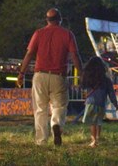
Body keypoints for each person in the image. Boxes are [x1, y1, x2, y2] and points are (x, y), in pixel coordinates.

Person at [18, 8, 82, 147]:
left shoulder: (38, 33)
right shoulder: (67, 34)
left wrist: (21, 73)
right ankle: (57, 124)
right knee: (60, 105)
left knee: (40, 109)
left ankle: (41, 141)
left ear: (47, 20)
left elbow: (29, 54)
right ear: (60, 19)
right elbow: (75, 55)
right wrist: (81, 74)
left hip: (39, 75)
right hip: (58, 76)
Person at [80, 56, 118, 147]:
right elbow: (111, 93)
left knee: (92, 122)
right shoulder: (106, 80)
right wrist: (115, 103)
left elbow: (82, 87)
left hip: (90, 102)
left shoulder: (88, 78)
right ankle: (97, 138)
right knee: (99, 121)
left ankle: (93, 140)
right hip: (101, 103)